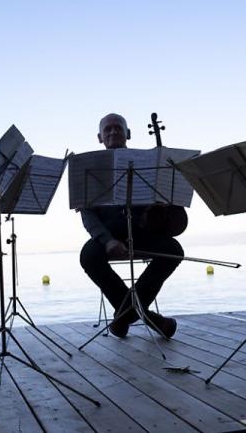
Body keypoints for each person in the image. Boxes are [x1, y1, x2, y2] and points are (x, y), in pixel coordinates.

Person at [79, 113, 185, 339]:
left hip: (143, 231)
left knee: (174, 250)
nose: (113, 132)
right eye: (107, 130)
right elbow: (87, 215)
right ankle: (145, 316)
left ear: (128, 134)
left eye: (118, 128)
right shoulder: (89, 168)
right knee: (89, 255)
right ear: (100, 137)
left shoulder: (149, 164)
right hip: (110, 234)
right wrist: (107, 241)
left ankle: (124, 314)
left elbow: (168, 197)